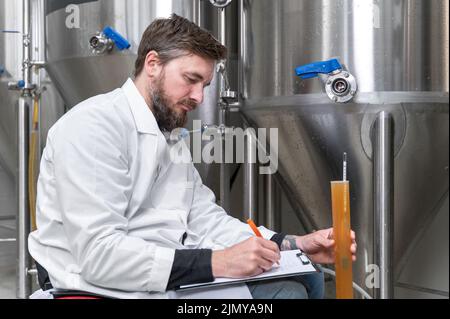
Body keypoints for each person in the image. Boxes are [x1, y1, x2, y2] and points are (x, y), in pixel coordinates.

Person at [28, 14, 356, 299]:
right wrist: (217, 262)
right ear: (153, 64)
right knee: (283, 294)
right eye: (191, 80)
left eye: (206, 84)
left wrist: (293, 244)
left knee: (307, 275)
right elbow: (99, 255)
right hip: (97, 285)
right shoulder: (94, 126)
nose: (199, 96)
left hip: (162, 277)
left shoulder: (167, 134)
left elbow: (204, 219)